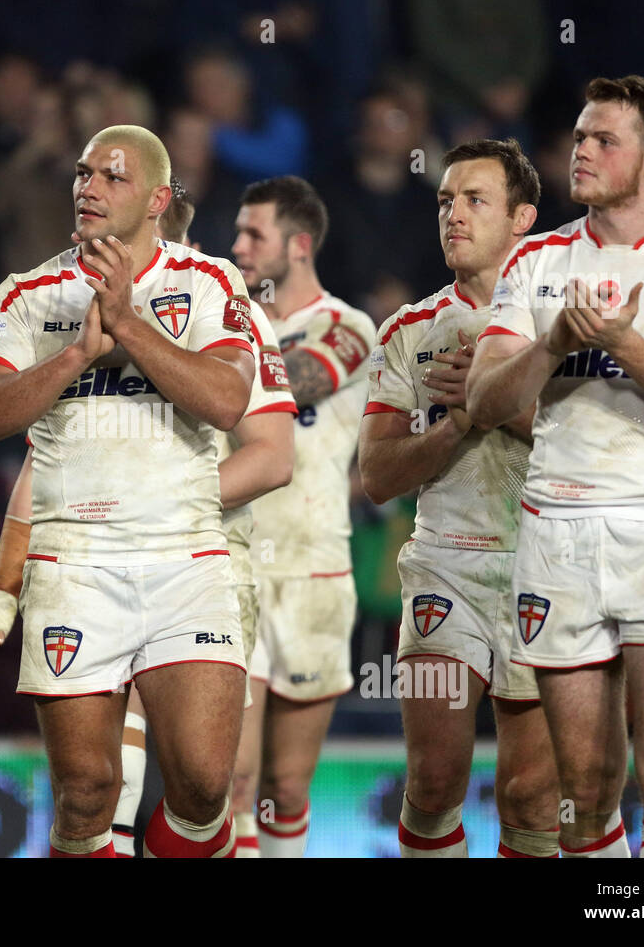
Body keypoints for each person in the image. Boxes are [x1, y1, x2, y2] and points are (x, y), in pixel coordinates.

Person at [467, 76, 644, 857]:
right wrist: (553, 344)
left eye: (606, 140)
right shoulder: (533, 262)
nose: (583, 151)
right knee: (586, 788)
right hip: (556, 534)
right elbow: (486, 404)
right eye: (581, 136)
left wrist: (625, 343)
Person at [0, 182, 296, 857]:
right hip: (84, 562)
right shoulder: (57, 302)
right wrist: (3, 588)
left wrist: (154, 504)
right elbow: (42, 470)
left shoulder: (223, 307)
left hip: (202, 558)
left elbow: (271, 455)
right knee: (95, 792)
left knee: (210, 786)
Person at [360, 138, 560, 857]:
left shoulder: (562, 324)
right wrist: (457, 426)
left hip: (548, 568)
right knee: (437, 778)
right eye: (446, 200)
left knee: (533, 793)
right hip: (446, 567)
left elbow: (595, 450)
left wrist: (493, 399)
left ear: (522, 218)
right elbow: (378, 475)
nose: (454, 214)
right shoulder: (410, 331)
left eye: (476, 200)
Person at [230, 175, 377, 857]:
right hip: (235, 567)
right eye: (235, 233)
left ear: (299, 244)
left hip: (317, 571)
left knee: (286, 788)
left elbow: (294, 383)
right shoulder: (225, 322)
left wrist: (215, 350)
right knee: (233, 780)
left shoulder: (348, 327)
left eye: (253, 234)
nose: (238, 247)